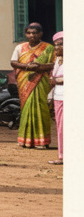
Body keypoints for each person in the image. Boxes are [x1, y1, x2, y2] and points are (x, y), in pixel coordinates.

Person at [10, 23, 55, 149]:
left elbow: (54, 65)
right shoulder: (20, 47)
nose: (31, 35)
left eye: (34, 33)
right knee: (26, 109)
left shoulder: (49, 48)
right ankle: (25, 140)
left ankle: (42, 141)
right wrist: (27, 67)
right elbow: (13, 62)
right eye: (29, 33)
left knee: (41, 109)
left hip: (41, 82)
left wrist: (39, 68)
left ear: (40, 34)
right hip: (25, 82)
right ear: (25, 34)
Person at [48, 32, 63, 166]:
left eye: (61, 44)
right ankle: (62, 155)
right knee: (60, 127)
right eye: (56, 45)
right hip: (58, 97)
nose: (57, 48)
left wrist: (56, 80)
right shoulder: (58, 61)